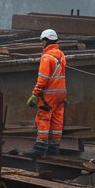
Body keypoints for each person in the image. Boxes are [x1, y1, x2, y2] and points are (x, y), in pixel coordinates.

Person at [23, 28, 67, 158]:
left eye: (43, 41)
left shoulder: (46, 57)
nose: (42, 43)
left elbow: (43, 78)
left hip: (49, 95)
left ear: (46, 41)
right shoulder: (61, 54)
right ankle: (54, 147)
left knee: (43, 118)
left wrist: (35, 93)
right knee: (57, 120)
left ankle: (40, 147)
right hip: (61, 93)